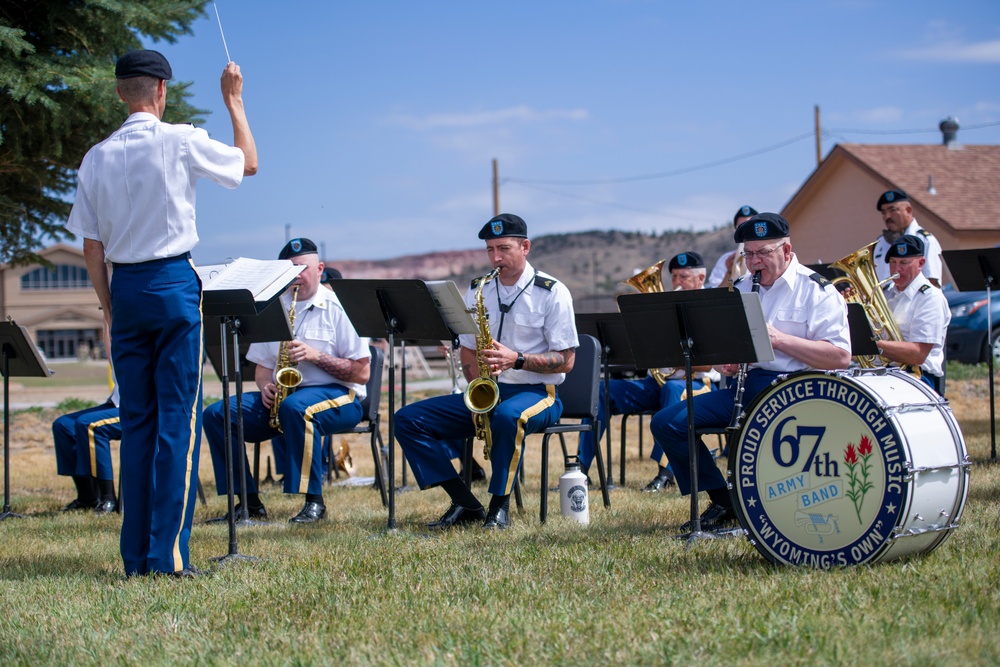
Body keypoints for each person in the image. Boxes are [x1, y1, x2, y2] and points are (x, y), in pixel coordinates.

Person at [65, 50, 257, 577]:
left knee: (138, 424)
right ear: (162, 91)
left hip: (124, 288)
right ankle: (167, 557)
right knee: (179, 422)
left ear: (120, 92)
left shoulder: (95, 156)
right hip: (172, 282)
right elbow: (249, 163)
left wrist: (108, 309)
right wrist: (234, 101)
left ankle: (135, 559)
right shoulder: (179, 139)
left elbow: (90, 246)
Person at [649, 213, 852, 532]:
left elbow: (840, 356)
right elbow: (725, 352)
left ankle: (780, 506)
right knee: (667, 423)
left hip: (799, 393)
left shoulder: (817, 290)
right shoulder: (741, 288)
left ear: (786, 251)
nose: (755, 262)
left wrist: (781, 340)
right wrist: (726, 361)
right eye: (749, 254)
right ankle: (724, 500)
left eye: (763, 253)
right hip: (749, 389)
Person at [395, 213, 578, 529]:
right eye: (490, 249)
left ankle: (499, 508)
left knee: (509, 417)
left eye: (504, 248)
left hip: (538, 393)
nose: (496, 257)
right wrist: (476, 392)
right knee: (407, 420)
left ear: (525, 247)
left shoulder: (552, 292)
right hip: (489, 391)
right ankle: (465, 501)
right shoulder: (479, 289)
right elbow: (467, 347)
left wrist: (517, 359)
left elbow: (567, 360)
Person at [204, 238, 370, 524]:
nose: (297, 275)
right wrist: (266, 386)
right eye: (290, 269)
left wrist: (316, 356)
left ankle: (314, 502)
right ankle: (248, 503)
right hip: (286, 399)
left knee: (296, 407)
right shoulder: (272, 309)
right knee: (216, 415)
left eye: (303, 268)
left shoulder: (338, 308)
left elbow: (362, 372)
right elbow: (262, 367)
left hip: (341, 397)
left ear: (319, 269)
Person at [577, 252, 717, 492]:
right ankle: (580, 470)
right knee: (600, 389)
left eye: (683, 276)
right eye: (673, 277)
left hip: (696, 384)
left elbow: (708, 364)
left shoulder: (710, 306)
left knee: (673, 388)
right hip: (657, 384)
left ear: (701, 277)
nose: (677, 282)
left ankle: (666, 473)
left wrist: (673, 354)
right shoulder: (663, 308)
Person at [876, 235, 951, 395]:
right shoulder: (885, 294)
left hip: (919, 379)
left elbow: (918, 354)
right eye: (893, 263)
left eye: (904, 263)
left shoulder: (930, 297)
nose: (897, 269)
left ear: (921, 263)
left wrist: (873, 345)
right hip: (886, 375)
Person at [54, 384, 121, 514]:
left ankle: (108, 498)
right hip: (118, 403)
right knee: (63, 425)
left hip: (142, 406)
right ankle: (87, 498)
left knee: (89, 424)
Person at [872, 189, 943, 287]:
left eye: (893, 210)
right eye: (883, 213)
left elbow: (933, 283)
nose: (887, 216)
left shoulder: (925, 241)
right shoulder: (879, 243)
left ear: (908, 210)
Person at [707, 205, 758, 288]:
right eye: (740, 226)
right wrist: (730, 272)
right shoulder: (726, 260)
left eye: (749, 225)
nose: (745, 230)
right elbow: (722, 292)